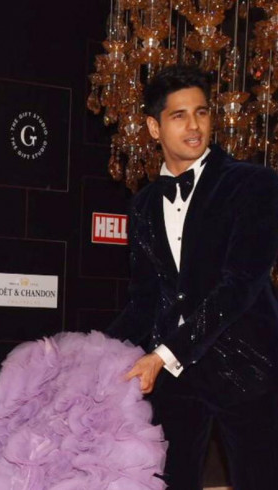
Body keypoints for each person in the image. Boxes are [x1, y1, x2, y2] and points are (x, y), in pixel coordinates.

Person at [108, 64, 278, 489]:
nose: (194, 126)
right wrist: (95, 355)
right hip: (177, 378)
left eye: (201, 112)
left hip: (249, 370)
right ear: (154, 127)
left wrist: (164, 354)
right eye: (179, 115)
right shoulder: (144, 206)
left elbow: (238, 287)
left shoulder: (254, 185)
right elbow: (144, 301)